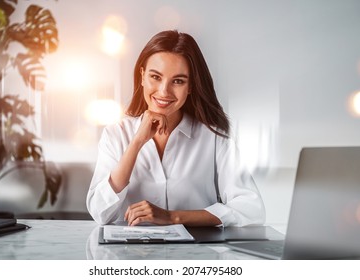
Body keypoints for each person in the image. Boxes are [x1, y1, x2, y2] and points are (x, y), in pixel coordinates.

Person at [86, 30, 265, 227]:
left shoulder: (214, 138)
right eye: (155, 77)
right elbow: (99, 212)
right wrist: (136, 142)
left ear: (190, 86)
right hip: (131, 255)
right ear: (143, 75)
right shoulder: (116, 135)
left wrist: (173, 217)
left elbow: (251, 209)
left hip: (195, 254)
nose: (164, 91)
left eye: (178, 81)